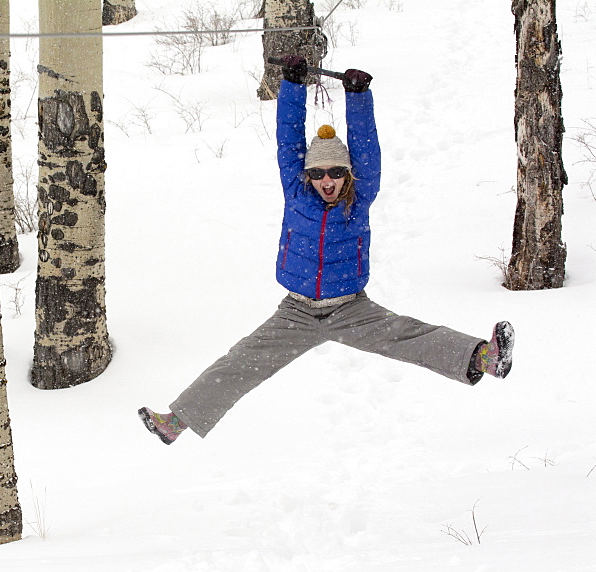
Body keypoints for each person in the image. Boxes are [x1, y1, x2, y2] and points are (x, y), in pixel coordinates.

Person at [138, 56, 514, 445]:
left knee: (409, 336)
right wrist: (292, 85)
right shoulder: (296, 194)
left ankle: (486, 358)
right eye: (317, 173)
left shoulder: (360, 197)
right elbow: (288, 140)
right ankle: (175, 423)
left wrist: (358, 96)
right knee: (240, 363)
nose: (327, 181)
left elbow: (365, 148)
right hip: (297, 311)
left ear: (348, 175)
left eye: (336, 172)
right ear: (307, 175)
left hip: (351, 309)